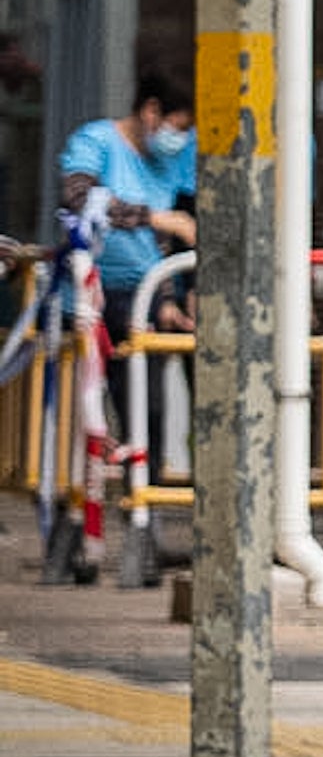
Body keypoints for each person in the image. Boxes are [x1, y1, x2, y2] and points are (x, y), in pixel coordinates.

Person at [56, 54, 199, 501]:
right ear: (150, 111)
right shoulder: (95, 142)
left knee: (148, 412)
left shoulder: (169, 166)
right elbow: (80, 199)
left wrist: (174, 296)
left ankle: (145, 510)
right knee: (81, 418)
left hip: (145, 299)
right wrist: (155, 218)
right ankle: (73, 518)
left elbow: (170, 240)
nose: (180, 139)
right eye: (177, 126)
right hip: (89, 300)